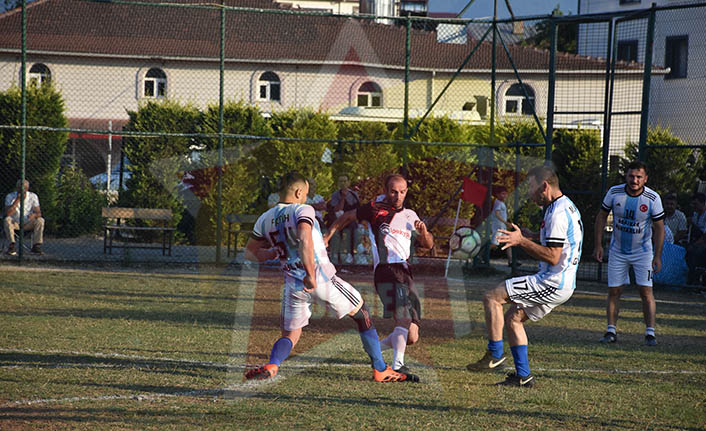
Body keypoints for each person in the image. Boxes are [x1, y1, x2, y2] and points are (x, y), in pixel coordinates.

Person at [243, 172, 411, 383]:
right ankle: (380, 368)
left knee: (290, 335)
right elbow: (304, 238)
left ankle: (273, 365)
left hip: (292, 285)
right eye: (305, 193)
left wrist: (273, 253)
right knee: (362, 313)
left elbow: (250, 253)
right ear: (298, 192)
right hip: (320, 279)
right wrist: (311, 275)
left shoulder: (264, 219)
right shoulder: (303, 209)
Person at [466, 165, 583, 387]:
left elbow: (553, 256)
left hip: (552, 281)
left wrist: (521, 241)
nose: (529, 193)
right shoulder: (564, 206)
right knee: (514, 318)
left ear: (544, 186)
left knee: (492, 297)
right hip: (562, 283)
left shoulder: (557, 213)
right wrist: (531, 235)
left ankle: (495, 354)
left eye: (531, 187)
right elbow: (559, 243)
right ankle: (523, 376)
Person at [323, 174, 434, 381]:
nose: (398, 196)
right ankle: (398, 366)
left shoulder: (411, 215)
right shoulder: (375, 209)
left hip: (406, 272)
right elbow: (346, 216)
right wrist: (328, 236)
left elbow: (428, 244)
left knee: (412, 335)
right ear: (386, 190)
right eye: (393, 191)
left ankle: (375, 349)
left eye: (402, 192)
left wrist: (425, 232)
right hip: (386, 270)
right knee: (403, 317)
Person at [593, 161, 665, 346]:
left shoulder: (652, 198)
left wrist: (657, 255)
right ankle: (611, 331)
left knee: (645, 291)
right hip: (617, 250)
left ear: (645, 179)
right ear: (626, 176)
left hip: (643, 252)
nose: (635, 180)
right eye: (631, 176)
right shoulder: (614, 193)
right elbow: (601, 216)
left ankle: (650, 333)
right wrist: (598, 245)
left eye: (639, 177)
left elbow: (659, 228)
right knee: (614, 290)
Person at [326, 174, 361, 264]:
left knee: (354, 228)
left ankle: (352, 253)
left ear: (348, 183)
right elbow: (337, 209)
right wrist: (343, 197)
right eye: (341, 181)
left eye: (345, 181)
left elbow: (358, 209)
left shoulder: (354, 195)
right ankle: (336, 255)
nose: (343, 183)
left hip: (351, 220)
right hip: (339, 220)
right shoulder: (335, 195)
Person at [4, 179, 44, 255]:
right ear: (17, 188)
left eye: (24, 188)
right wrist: (17, 200)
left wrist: (34, 215)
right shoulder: (10, 196)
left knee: (40, 220)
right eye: (20, 188)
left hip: (28, 222)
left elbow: (39, 213)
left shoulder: (33, 196)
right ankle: (12, 245)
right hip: (15, 223)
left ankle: (36, 245)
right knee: (7, 220)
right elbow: (8, 213)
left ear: (27, 188)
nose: (22, 190)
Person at [490, 186, 514, 266]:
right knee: (494, 244)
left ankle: (511, 261)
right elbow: (497, 214)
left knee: (508, 242)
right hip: (498, 227)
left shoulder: (502, 203)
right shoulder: (498, 203)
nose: (504, 196)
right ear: (497, 194)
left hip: (502, 227)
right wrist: (506, 222)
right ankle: (480, 255)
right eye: (502, 194)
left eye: (505, 194)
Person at [686, 192, 706, 284]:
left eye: (696, 204)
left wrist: (694, 245)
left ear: (703, 203)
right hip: (696, 239)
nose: (694, 206)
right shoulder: (695, 214)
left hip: (703, 242)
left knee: (694, 252)